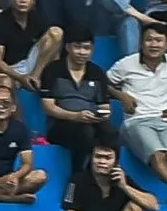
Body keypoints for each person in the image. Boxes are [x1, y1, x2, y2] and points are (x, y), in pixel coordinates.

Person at [107, 21, 167, 202]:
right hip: (136, 121)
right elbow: (103, 83)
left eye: (158, 40)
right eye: (149, 40)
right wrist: (121, 96)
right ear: (141, 42)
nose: (154, 44)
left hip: (166, 119)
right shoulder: (126, 64)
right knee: (158, 154)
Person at [42, 32, 114, 171]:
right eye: (77, 47)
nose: (82, 52)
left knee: (110, 133)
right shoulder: (53, 70)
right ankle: (78, 175)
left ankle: (111, 174)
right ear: (67, 47)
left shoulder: (97, 72)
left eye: (87, 48)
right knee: (85, 133)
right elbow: (48, 106)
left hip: (90, 120)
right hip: (60, 124)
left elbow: (105, 106)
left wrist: (102, 115)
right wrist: (75, 116)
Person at [0, 0, 63, 91]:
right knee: (2, 81)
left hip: (34, 65)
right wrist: (20, 77)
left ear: (34, 1)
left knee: (56, 33)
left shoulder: (38, 18)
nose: (23, 0)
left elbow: (54, 49)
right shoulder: (0, 21)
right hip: (11, 68)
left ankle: (35, 78)